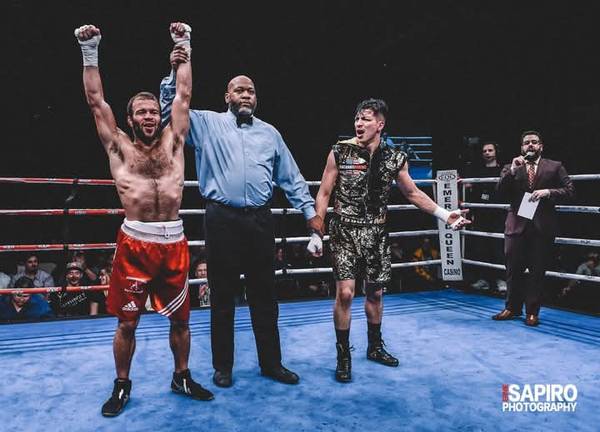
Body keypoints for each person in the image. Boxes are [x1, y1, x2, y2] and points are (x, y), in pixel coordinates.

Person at [160, 48, 322, 388]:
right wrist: (174, 73)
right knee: (222, 295)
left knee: (265, 295)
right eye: (239, 90)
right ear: (227, 96)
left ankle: (271, 363)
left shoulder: (270, 133)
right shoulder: (206, 123)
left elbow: (290, 177)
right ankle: (223, 366)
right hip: (221, 219)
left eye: (250, 91)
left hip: (260, 220)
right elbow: (169, 111)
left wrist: (310, 213)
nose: (246, 95)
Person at [76, 22, 213, 418]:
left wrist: (184, 43)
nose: (150, 117)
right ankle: (122, 384)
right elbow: (95, 101)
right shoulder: (118, 146)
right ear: (131, 118)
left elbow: (184, 94)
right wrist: (90, 51)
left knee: (182, 319)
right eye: (142, 112)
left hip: (174, 242)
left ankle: (181, 376)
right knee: (127, 323)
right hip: (135, 244)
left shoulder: (174, 140)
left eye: (154, 111)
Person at [310, 98, 469, 382]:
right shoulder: (340, 151)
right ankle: (343, 355)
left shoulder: (396, 157)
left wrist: (445, 215)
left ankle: (374, 346)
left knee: (375, 293)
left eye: (366, 119)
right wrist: (316, 231)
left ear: (380, 124)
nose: (359, 123)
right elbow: (324, 192)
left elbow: (412, 193)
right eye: (357, 118)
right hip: (345, 229)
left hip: (377, 232)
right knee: (345, 293)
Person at [492, 130, 575, 326]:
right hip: (516, 225)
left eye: (534, 142)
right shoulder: (511, 167)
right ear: (521, 147)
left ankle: (532, 312)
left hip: (542, 225)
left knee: (537, 271)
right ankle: (511, 308)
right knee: (513, 269)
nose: (530, 145)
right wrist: (512, 171)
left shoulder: (554, 166)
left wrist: (548, 192)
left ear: (541, 146)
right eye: (527, 142)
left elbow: (570, 190)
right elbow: (499, 193)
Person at [465, 141, 506, 292]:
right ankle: (484, 279)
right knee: (481, 248)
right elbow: (473, 192)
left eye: (490, 150)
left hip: (498, 215)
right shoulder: (477, 171)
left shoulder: (503, 170)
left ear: (496, 152)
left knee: (498, 248)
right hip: (481, 215)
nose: (487, 153)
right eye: (484, 151)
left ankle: (501, 279)